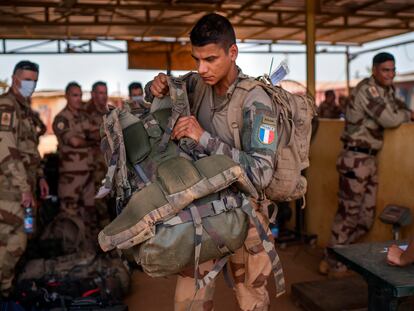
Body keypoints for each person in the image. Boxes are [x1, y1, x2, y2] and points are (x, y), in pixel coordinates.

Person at [145, 13, 278, 310]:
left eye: (210, 59)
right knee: (189, 302)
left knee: (251, 301)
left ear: (232, 53)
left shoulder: (256, 102)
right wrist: (156, 86)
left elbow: (261, 174)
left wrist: (203, 137)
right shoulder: (198, 84)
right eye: (196, 59)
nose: (201, 68)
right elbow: (166, 89)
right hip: (204, 213)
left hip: (247, 216)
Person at [320, 52, 414, 277]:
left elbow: (401, 109)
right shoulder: (368, 89)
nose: (390, 74)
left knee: (365, 218)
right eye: (385, 70)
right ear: (374, 70)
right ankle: (332, 262)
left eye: (392, 70)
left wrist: (404, 112)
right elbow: (391, 119)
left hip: (369, 159)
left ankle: (337, 255)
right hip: (355, 158)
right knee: (349, 214)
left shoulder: (386, 91)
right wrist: (406, 114)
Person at [0, 60, 49, 298]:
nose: (31, 84)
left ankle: (8, 292)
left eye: (34, 80)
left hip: (23, 186)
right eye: (27, 79)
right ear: (14, 78)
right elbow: (6, 151)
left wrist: (39, 177)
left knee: (21, 240)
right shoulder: (6, 106)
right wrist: (23, 188)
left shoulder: (24, 109)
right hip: (8, 189)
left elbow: (29, 149)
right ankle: (4, 291)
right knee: (14, 241)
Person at [53, 82, 100, 243]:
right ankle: (68, 249)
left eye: (80, 95)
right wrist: (90, 141)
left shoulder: (83, 116)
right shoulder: (61, 119)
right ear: (67, 96)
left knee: (89, 211)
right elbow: (74, 142)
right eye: (74, 95)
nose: (78, 99)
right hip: (70, 176)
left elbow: (98, 133)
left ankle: (88, 247)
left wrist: (88, 139)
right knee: (69, 214)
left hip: (88, 172)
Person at [86, 81, 110, 228]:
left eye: (105, 93)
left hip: (107, 165)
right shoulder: (85, 112)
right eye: (100, 93)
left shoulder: (107, 112)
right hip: (93, 165)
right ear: (93, 94)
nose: (103, 96)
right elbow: (88, 134)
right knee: (96, 200)